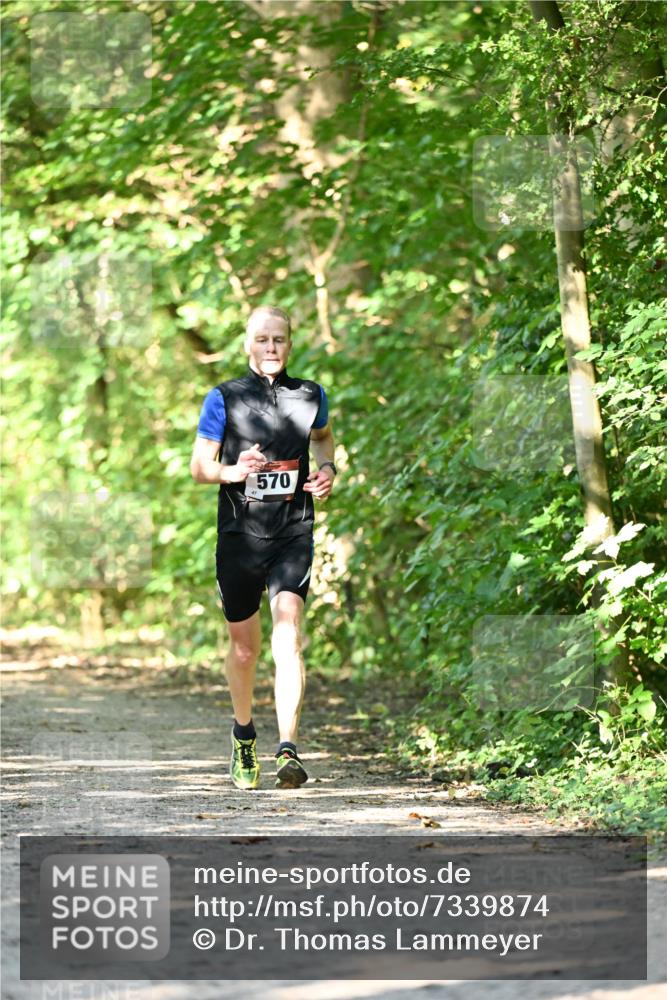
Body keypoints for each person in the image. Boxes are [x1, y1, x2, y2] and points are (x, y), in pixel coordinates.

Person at [190, 305, 336, 790]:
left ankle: (288, 748)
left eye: (279, 340)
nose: (271, 348)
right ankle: (244, 735)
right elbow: (200, 467)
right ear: (248, 345)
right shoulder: (224, 398)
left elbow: (324, 440)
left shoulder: (311, 395)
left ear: (290, 344)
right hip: (239, 536)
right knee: (245, 649)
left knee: (289, 631)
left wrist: (328, 471)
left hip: (293, 529)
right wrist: (233, 470)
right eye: (262, 340)